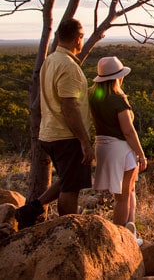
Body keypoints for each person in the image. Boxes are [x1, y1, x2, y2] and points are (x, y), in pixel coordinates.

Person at [15, 18, 94, 229]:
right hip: (65, 135)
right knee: (71, 187)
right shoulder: (68, 67)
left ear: (59, 36)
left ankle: (31, 209)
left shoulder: (50, 60)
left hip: (49, 133)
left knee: (68, 178)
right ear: (78, 39)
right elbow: (70, 107)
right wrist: (84, 141)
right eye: (82, 37)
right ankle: (66, 231)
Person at [89, 56, 147, 245]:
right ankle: (120, 241)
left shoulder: (93, 96)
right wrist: (141, 153)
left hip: (102, 146)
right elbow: (128, 131)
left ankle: (130, 231)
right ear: (117, 78)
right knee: (123, 197)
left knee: (128, 191)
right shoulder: (118, 99)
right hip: (120, 149)